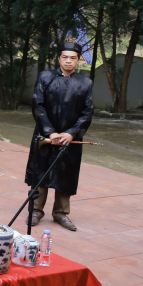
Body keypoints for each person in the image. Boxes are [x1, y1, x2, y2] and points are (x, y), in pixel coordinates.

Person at [25, 42, 95, 232]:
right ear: (58, 58)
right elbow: (38, 105)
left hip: (69, 137)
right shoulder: (45, 77)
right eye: (65, 57)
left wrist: (71, 133)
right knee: (40, 171)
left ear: (78, 59)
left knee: (67, 173)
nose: (68, 61)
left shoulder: (85, 83)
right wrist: (50, 132)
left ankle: (61, 213)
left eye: (73, 57)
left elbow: (87, 112)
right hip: (45, 135)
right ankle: (36, 211)